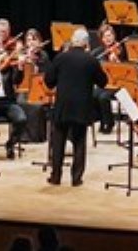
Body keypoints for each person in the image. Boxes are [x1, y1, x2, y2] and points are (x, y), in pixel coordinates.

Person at [44, 28, 107, 186]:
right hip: (82, 107)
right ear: (86, 43)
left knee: (58, 141)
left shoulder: (61, 58)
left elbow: (48, 81)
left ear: (72, 41)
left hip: (63, 106)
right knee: (79, 142)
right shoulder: (91, 60)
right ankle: (76, 178)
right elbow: (103, 82)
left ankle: (56, 176)